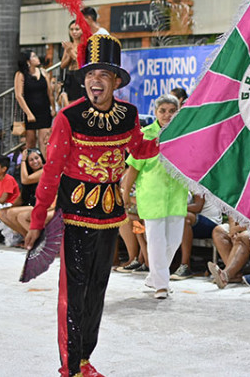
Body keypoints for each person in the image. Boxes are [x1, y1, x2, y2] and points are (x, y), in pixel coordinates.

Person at [25, 34, 157, 377]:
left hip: (110, 215)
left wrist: (173, 134)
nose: (95, 81)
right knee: (74, 292)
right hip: (75, 217)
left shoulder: (128, 114)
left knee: (98, 289)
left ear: (115, 81)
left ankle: (84, 360)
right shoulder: (68, 117)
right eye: (90, 74)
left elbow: (140, 150)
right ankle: (69, 368)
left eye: (103, 75)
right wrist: (38, 221)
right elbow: (51, 173)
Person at [121, 93, 188, 299]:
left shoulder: (184, 133)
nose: (167, 115)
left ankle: (156, 277)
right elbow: (133, 168)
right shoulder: (146, 135)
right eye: (162, 111)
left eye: (171, 111)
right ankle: (161, 285)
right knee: (156, 241)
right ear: (155, 112)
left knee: (173, 242)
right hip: (151, 196)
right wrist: (125, 194)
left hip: (177, 195)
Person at [14, 50, 55, 157]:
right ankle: (30, 166)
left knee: (45, 141)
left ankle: (46, 166)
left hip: (44, 110)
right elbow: (19, 95)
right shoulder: (21, 75)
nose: (37, 58)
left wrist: (53, 108)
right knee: (31, 142)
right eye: (34, 56)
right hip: (30, 111)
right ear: (28, 61)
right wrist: (28, 113)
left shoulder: (43, 72)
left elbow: (49, 92)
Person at [0, 148, 45, 238]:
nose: (35, 161)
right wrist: (11, 207)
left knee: (12, 213)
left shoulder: (45, 171)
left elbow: (25, 180)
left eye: (37, 158)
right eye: (31, 160)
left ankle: (37, 239)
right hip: (30, 205)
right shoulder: (29, 174)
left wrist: (22, 160)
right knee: (2, 213)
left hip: (42, 206)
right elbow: (22, 197)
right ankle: (27, 237)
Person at [172, 193, 221, 280]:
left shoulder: (198, 184)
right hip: (198, 220)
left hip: (211, 221)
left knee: (184, 218)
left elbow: (198, 207)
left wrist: (171, 208)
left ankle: (185, 266)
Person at [59, 20, 85, 107]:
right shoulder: (69, 45)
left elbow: (81, 63)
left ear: (82, 30)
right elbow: (63, 65)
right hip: (70, 75)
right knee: (69, 104)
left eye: (77, 29)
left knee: (80, 103)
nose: (74, 32)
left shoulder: (85, 45)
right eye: (71, 29)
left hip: (80, 75)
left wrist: (71, 51)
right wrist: (69, 53)